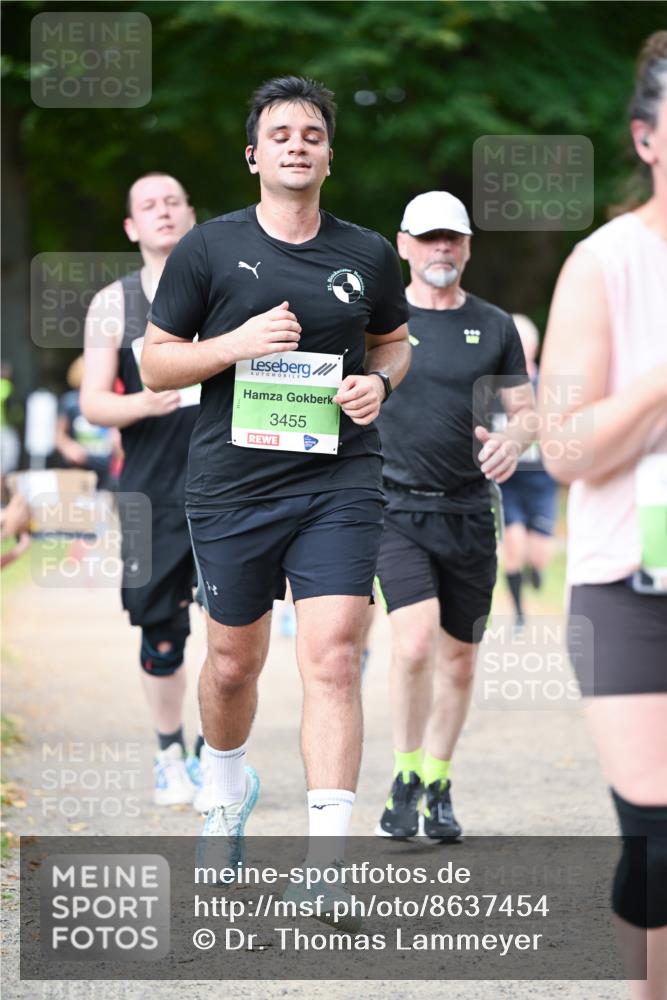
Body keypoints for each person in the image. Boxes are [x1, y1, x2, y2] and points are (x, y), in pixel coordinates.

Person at [141, 76, 410, 902]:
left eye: (312, 134)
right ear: (255, 155)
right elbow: (155, 363)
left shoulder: (366, 253)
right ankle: (225, 796)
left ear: (330, 154)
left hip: (338, 480)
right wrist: (234, 343)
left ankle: (326, 868)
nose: (298, 143)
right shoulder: (208, 250)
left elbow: (394, 343)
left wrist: (381, 386)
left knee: (332, 657)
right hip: (231, 487)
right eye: (281, 133)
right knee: (230, 665)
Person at [539, 32, 667, 1000]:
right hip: (634, 584)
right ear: (645, 138)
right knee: (659, 837)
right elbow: (564, 449)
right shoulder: (604, 262)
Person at [374, 191, 536, 841]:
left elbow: (524, 411)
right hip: (395, 509)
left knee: (460, 661)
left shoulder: (493, 326)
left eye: (453, 238)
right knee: (412, 643)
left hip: (470, 513)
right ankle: (404, 774)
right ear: (404, 245)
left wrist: (514, 439)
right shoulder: (377, 323)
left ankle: (437, 780)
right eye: (429, 237)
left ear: (467, 246)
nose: (442, 248)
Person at [81, 172, 205, 808]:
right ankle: (170, 754)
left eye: (172, 202)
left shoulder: (228, 288)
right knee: (161, 632)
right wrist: (147, 405)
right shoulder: (115, 302)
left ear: (190, 214)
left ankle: (218, 752)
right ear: (132, 227)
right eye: (148, 206)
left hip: (227, 483)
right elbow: (94, 402)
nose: (162, 212)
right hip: (151, 491)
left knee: (239, 627)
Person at [495, 314, 559, 628]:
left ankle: (536, 570)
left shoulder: (549, 385)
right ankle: (519, 614)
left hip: (541, 480)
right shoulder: (491, 385)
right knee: (513, 546)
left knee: (538, 554)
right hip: (508, 480)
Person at [56, 355, 118, 491]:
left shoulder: (113, 399)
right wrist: (69, 448)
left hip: (106, 465)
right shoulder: (70, 401)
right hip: (80, 465)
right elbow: (59, 435)